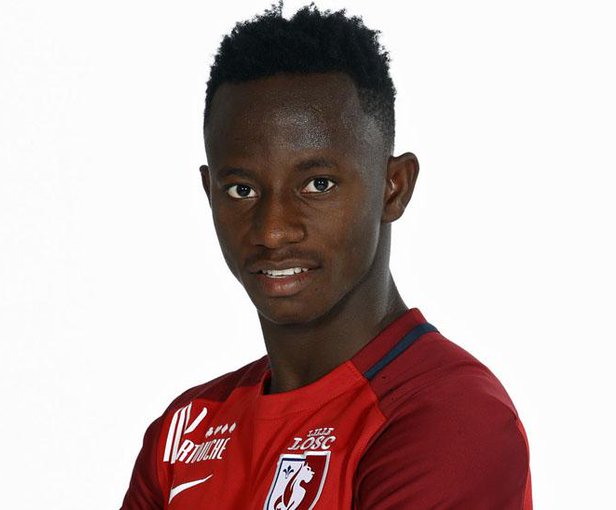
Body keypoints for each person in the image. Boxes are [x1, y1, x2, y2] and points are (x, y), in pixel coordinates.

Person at [120, 4, 532, 509]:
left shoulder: (450, 418)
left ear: (394, 187)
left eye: (318, 184)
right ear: (209, 194)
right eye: (242, 190)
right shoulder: (184, 432)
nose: (273, 230)